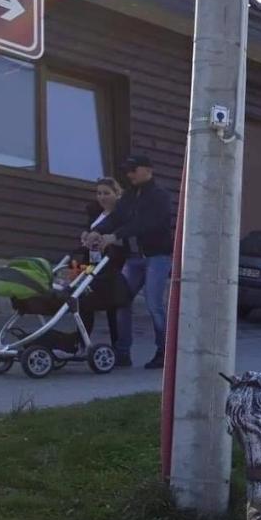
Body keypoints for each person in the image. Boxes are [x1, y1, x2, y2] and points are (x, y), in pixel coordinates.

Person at [101, 154, 173, 369]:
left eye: (133, 169)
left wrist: (115, 236)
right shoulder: (130, 196)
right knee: (121, 300)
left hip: (157, 257)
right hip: (134, 260)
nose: (129, 174)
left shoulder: (160, 196)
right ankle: (123, 353)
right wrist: (95, 232)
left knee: (154, 304)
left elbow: (146, 224)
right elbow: (115, 218)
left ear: (148, 169)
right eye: (127, 170)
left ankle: (164, 352)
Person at [78, 177, 132, 358]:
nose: (102, 197)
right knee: (84, 302)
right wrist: (85, 234)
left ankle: (119, 351)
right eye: (99, 193)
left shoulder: (121, 215)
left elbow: (122, 239)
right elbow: (90, 229)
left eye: (106, 193)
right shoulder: (96, 214)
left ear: (117, 194)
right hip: (93, 264)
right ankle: (82, 342)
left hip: (111, 265)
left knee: (112, 308)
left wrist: (105, 240)